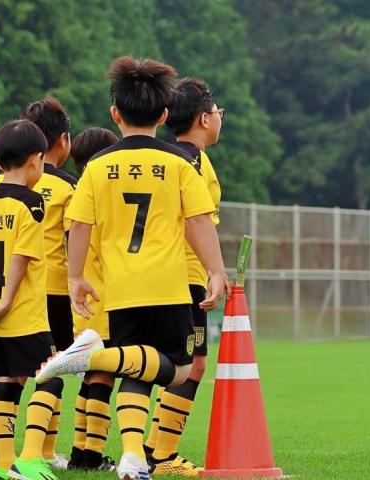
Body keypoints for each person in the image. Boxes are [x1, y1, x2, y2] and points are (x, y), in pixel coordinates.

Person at [35, 56, 231, 480]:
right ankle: (97, 357)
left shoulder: (97, 167)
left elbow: (78, 224)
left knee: (135, 370)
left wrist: (75, 278)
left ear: (115, 114)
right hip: (168, 284)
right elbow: (198, 221)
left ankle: (132, 458)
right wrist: (216, 271)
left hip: (120, 289)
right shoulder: (179, 164)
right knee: (178, 368)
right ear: (164, 114)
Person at [0, 98, 75, 470]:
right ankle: (33, 458)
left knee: (5, 381)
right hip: (26, 312)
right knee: (50, 378)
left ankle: (4, 463)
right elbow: (22, 258)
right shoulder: (32, 204)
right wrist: (10, 299)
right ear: (37, 160)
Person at [144, 77, 223, 476]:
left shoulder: (164, 156)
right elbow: (197, 222)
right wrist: (214, 271)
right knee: (192, 365)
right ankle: (163, 455)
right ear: (205, 118)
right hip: (187, 275)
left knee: (175, 361)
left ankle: (151, 448)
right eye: (219, 113)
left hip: (158, 272)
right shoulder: (193, 160)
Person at [65, 127, 118, 472]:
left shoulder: (77, 196)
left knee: (91, 377)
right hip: (105, 299)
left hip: (83, 304)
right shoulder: (101, 195)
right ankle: (93, 456)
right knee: (103, 377)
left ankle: (79, 452)